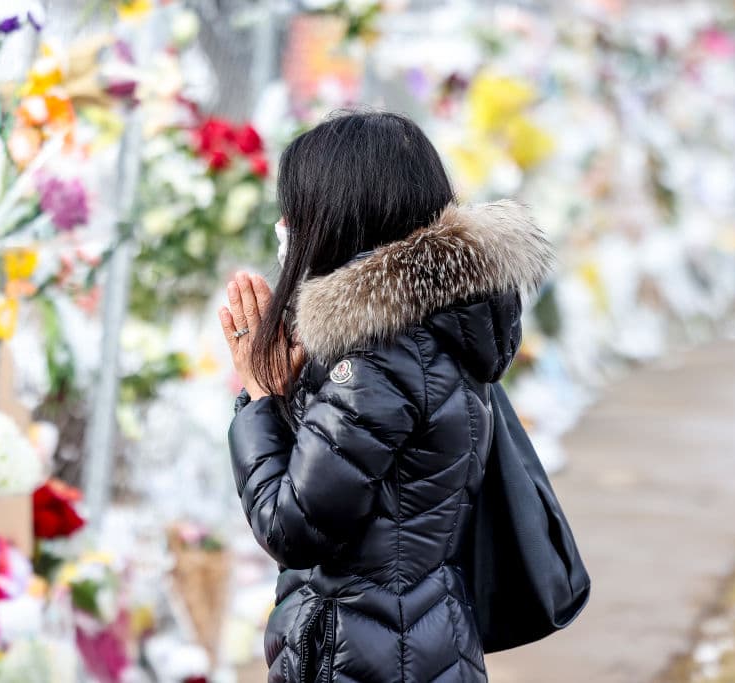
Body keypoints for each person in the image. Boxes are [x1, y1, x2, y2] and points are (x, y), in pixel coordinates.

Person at [219, 111, 552, 683]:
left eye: (296, 207)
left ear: (342, 215)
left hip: (369, 651)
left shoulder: (377, 358)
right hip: (416, 635)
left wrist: (259, 399)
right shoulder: (435, 330)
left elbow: (294, 528)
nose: (284, 224)